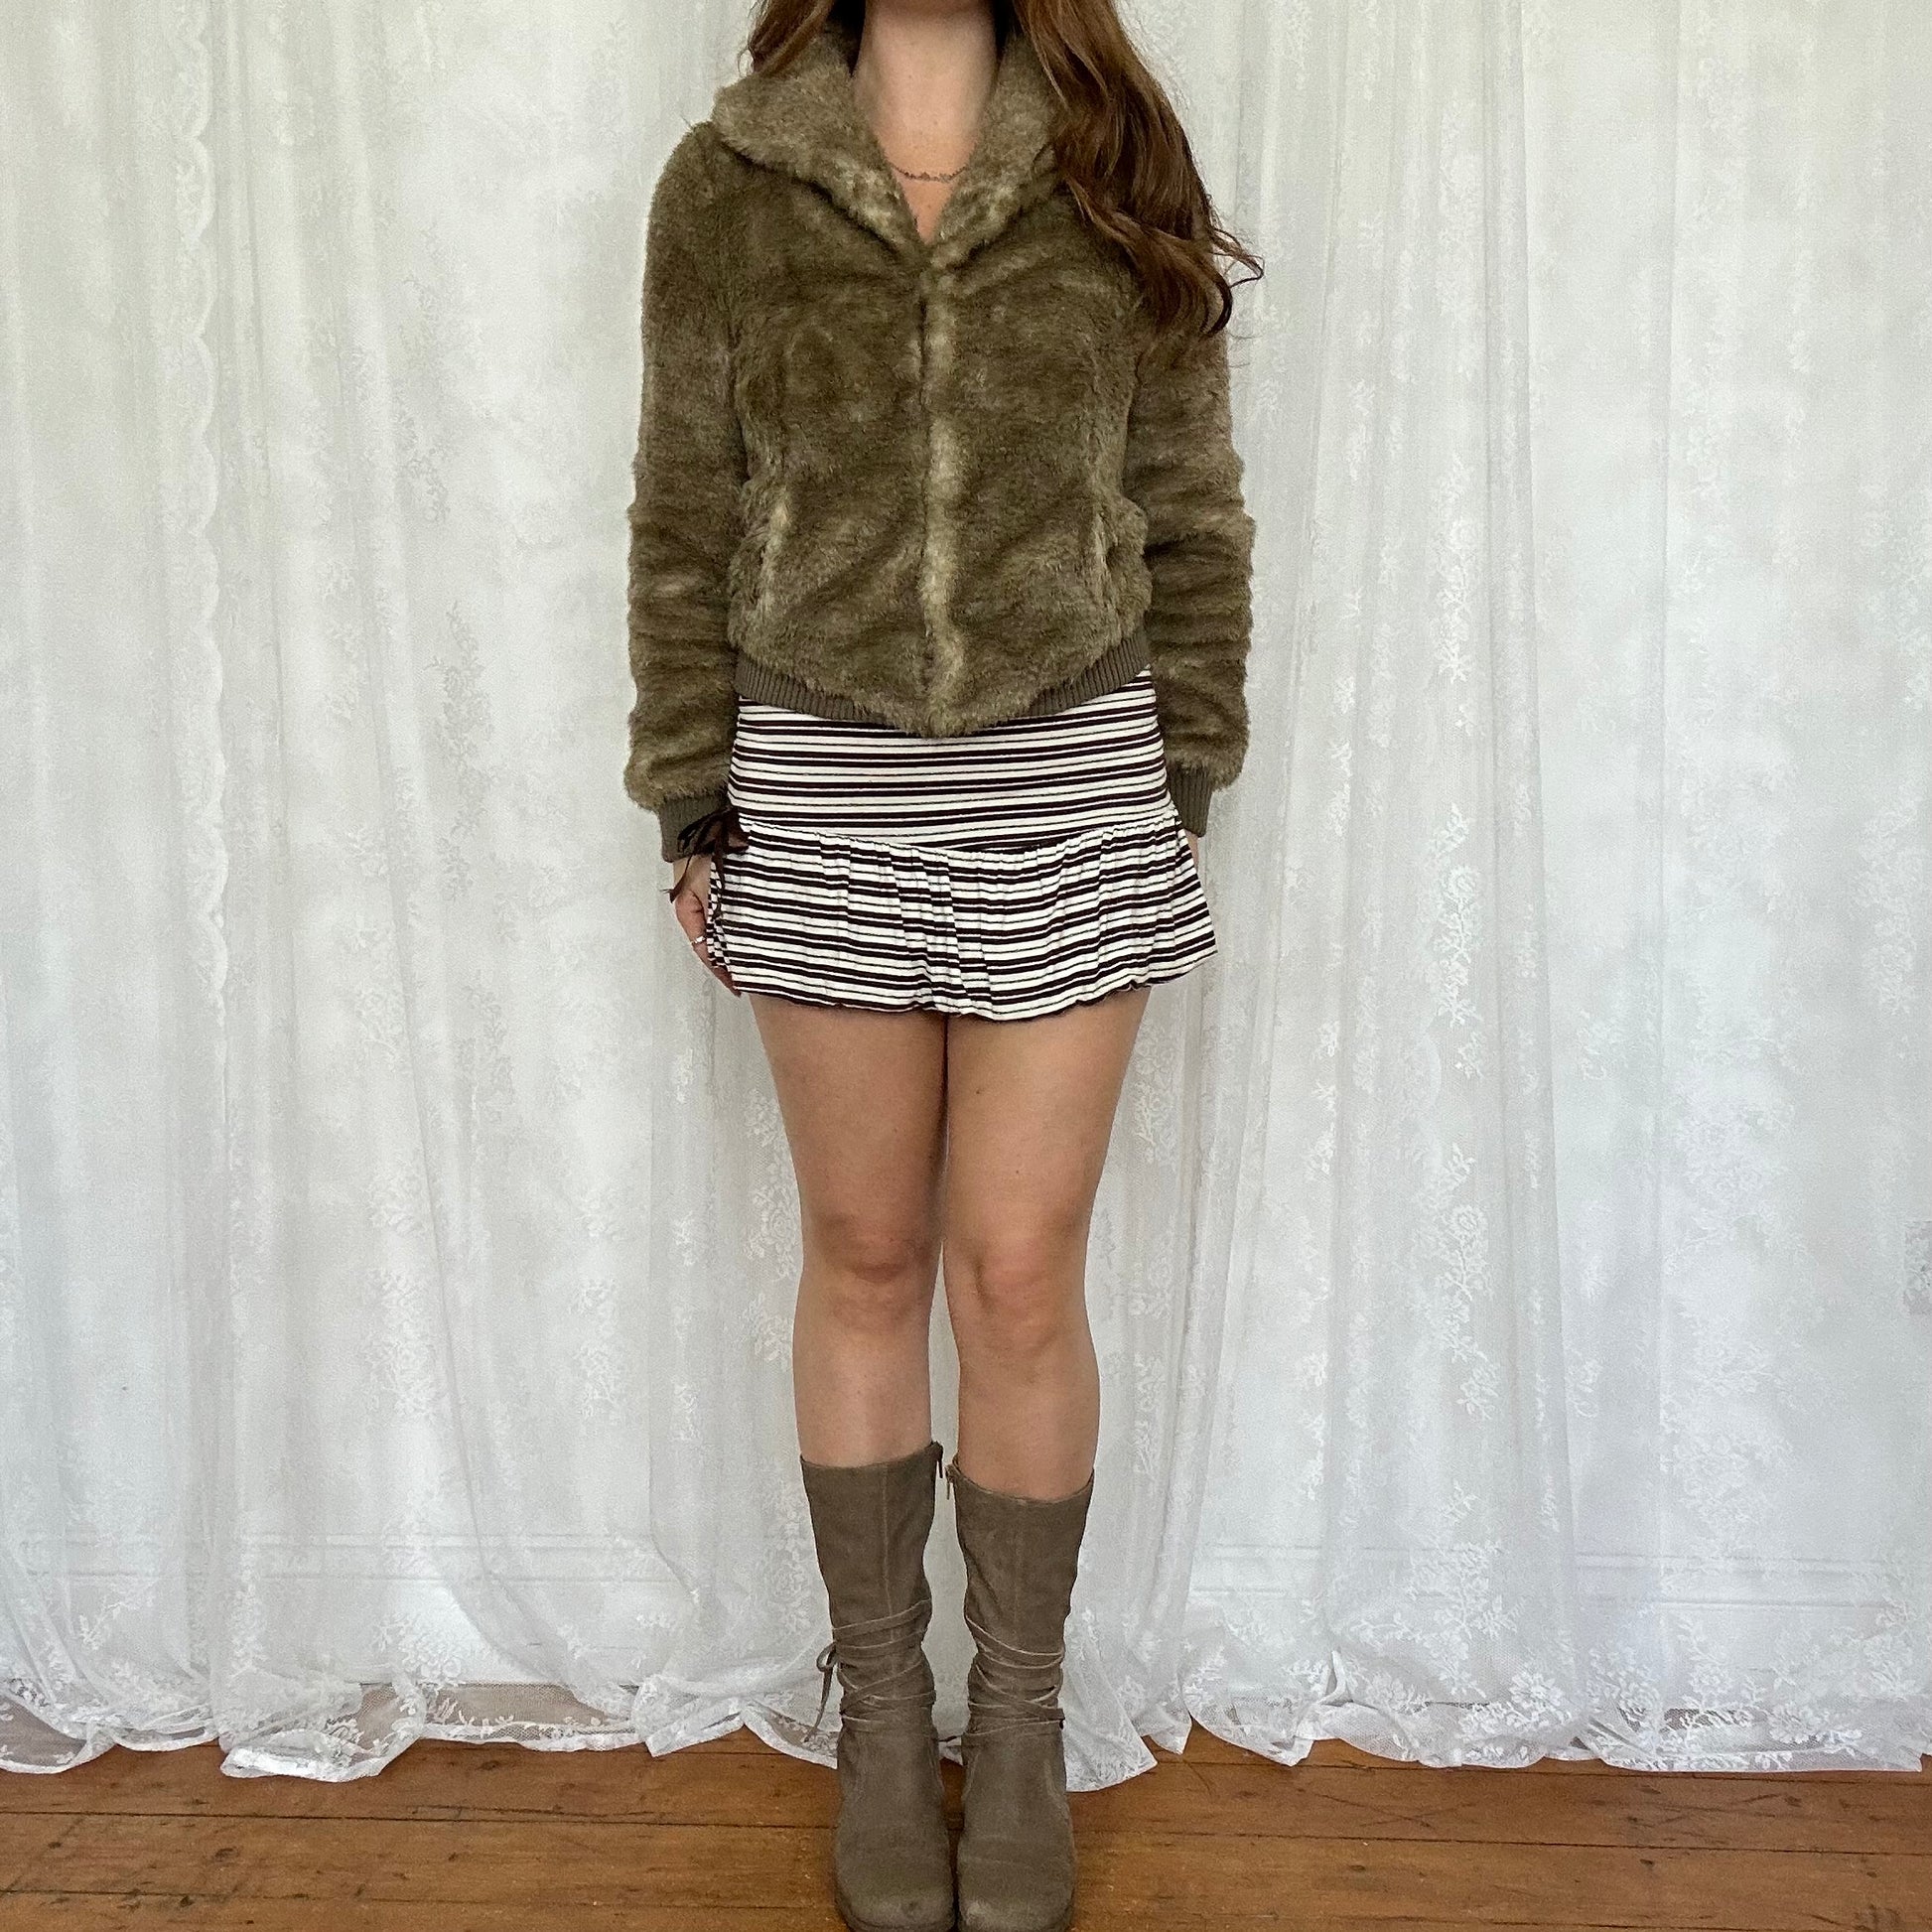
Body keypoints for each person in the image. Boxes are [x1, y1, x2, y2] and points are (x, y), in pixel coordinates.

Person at [624, 1, 1258, 1926]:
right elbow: (681, 506)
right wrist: (690, 788)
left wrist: (1183, 764)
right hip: (818, 773)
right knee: (868, 1256)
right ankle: (887, 1726)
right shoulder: (728, 181)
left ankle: (1026, 1726)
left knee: (1017, 1268)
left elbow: (1190, 503)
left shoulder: (1113, 162)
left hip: (1070, 767)